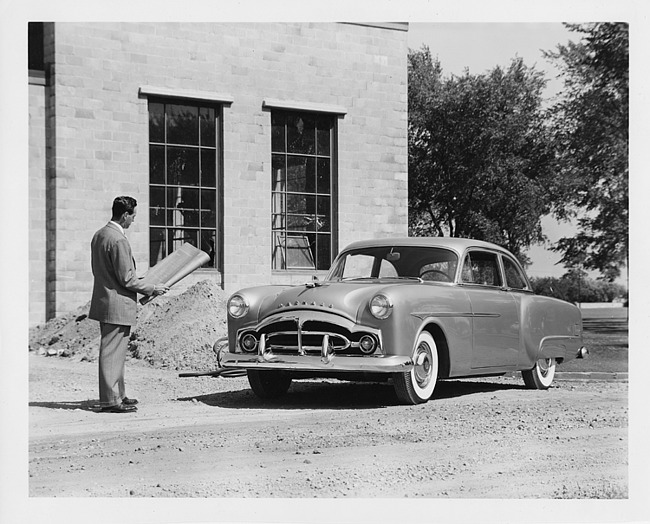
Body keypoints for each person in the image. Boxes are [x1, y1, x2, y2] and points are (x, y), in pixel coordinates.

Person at [89, 196, 169, 413]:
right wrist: (152, 288)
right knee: (112, 354)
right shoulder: (119, 240)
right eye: (133, 216)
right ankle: (110, 400)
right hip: (118, 303)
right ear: (125, 215)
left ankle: (118, 395)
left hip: (105, 301)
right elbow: (127, 279)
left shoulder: (100, 235)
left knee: (115, 353)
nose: (133, 221)